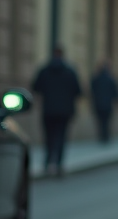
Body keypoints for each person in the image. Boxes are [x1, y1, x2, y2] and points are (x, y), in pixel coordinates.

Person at [32, 46, 82, 176]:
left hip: (48, 109)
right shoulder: (70, 72)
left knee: (49, 136)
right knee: (61, 136)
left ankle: (48, 162)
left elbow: (36, 87)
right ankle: (59, 164)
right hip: (65, 111)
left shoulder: (44, 70)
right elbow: (78, 91)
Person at [89, 61, 118, 144]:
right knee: (106, 121)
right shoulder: (110, 79)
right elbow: (115, 92)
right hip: (108, 104)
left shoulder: (96, 79)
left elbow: (92, 91)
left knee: (100, 121)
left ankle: (102, 136)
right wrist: (117, 100)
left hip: (98, 104)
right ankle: (106, 136)